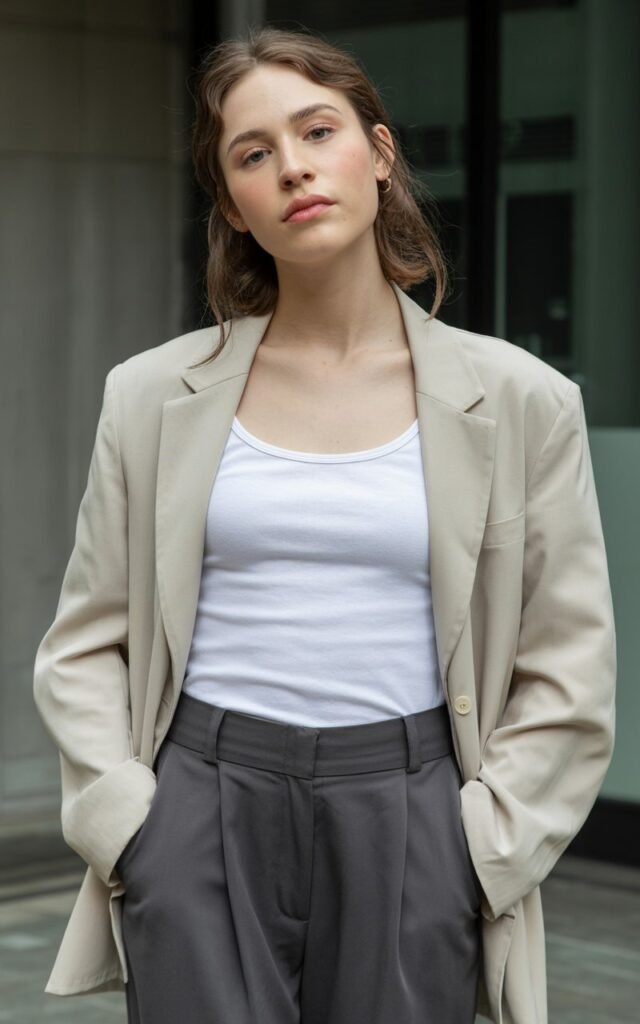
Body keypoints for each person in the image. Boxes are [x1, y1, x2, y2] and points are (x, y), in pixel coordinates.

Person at [33, 25, 616, 1024]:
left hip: (414, 807)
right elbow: (87, 639)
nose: (292, 167)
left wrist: (480, 848)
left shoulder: (520, 398)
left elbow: (568, 664)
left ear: (378, 155)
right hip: (199, 806)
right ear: (233, 204)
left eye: (317, 131)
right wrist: (131, 825)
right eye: (253, 154)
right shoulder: (150, 393)